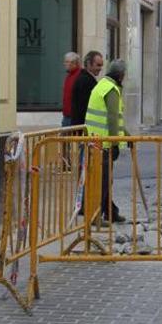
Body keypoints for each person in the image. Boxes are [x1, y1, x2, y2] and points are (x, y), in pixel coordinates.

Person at [85, 59, 130, 223]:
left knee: (105, 180)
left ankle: (111, 212)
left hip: (96, 141)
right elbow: (111, 118)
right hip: (102, 143)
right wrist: (115, 143)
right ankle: (96, 216)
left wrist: (127, 135)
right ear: (120, 75)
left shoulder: (103, 84)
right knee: (102, 182)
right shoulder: (111, 90)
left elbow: (115, 119)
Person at [70, 51, 103, 126]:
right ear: (88, 64)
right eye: (98, 65)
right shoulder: (86, 81)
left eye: (101, 65)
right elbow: (85, 107)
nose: (100, 68)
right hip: (82, 127)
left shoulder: (85, 79)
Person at [61, 52, 81, 127]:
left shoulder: (79, 76)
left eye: (66, 61)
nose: (64, 64)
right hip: (66, 116)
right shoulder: (69, 76)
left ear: (73, 63)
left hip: (73, 118)